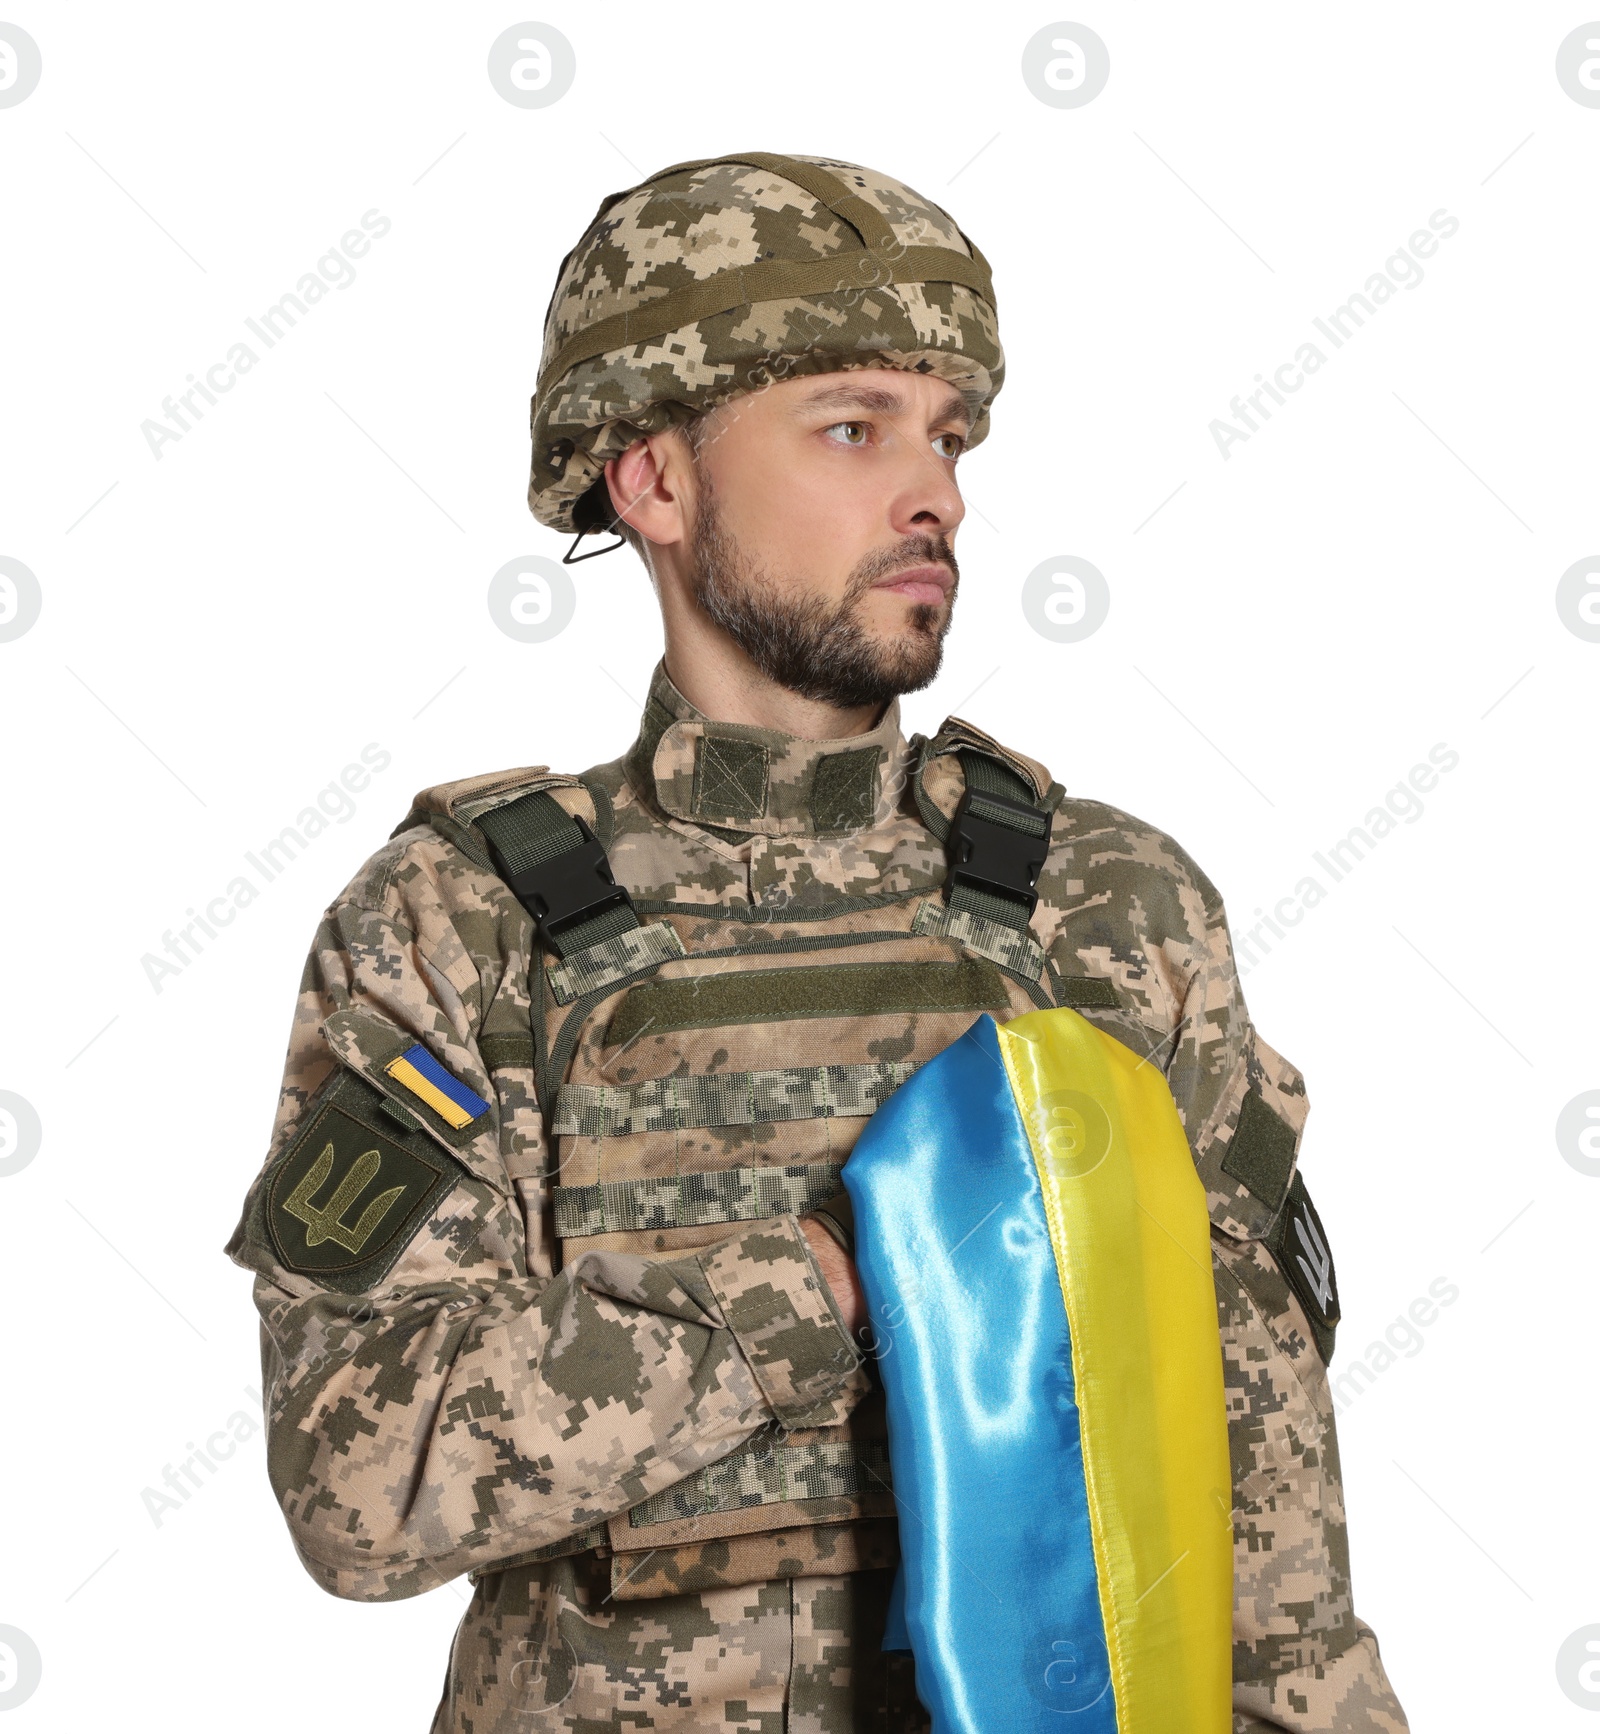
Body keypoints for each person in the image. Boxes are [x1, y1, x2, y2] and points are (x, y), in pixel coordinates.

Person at [226, 153, 1408, 1732]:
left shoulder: (1108, 912)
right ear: (650, 477)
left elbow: (1270, 1551)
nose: (937, 492)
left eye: (951, 434)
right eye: (854, 426)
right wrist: (844, 1276)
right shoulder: (459, 927)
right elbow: (359, 1483)